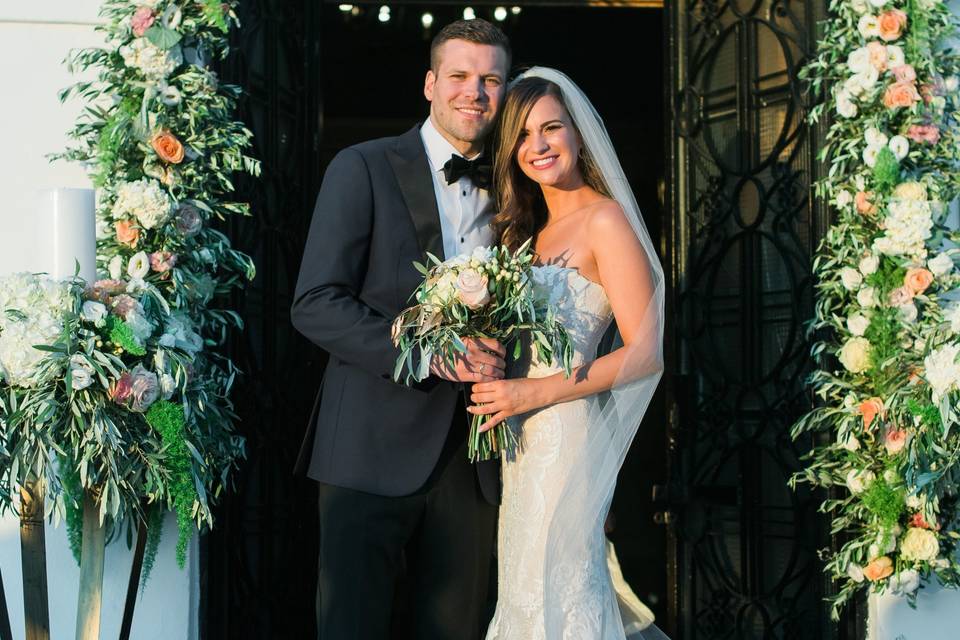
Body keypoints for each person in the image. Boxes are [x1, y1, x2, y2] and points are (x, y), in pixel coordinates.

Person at [290, 19, 510, 640]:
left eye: (491, 79)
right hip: (366, 446)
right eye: (461, 76)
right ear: (430, 84)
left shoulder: (523, 186)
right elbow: (315, 303)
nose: (475, 92)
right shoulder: (361, 166)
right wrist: (427, 353)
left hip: (476, 460)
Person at [470, 68, 668, 639]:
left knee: (560, 588)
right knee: (525, 588)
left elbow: (646, 352)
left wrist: (534, 391)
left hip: (564, 434)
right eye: (523, 135)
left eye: (551, 128)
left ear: (578, 133)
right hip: (520, 440)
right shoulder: (524, 234)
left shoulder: (605, 220)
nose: (538, 146)